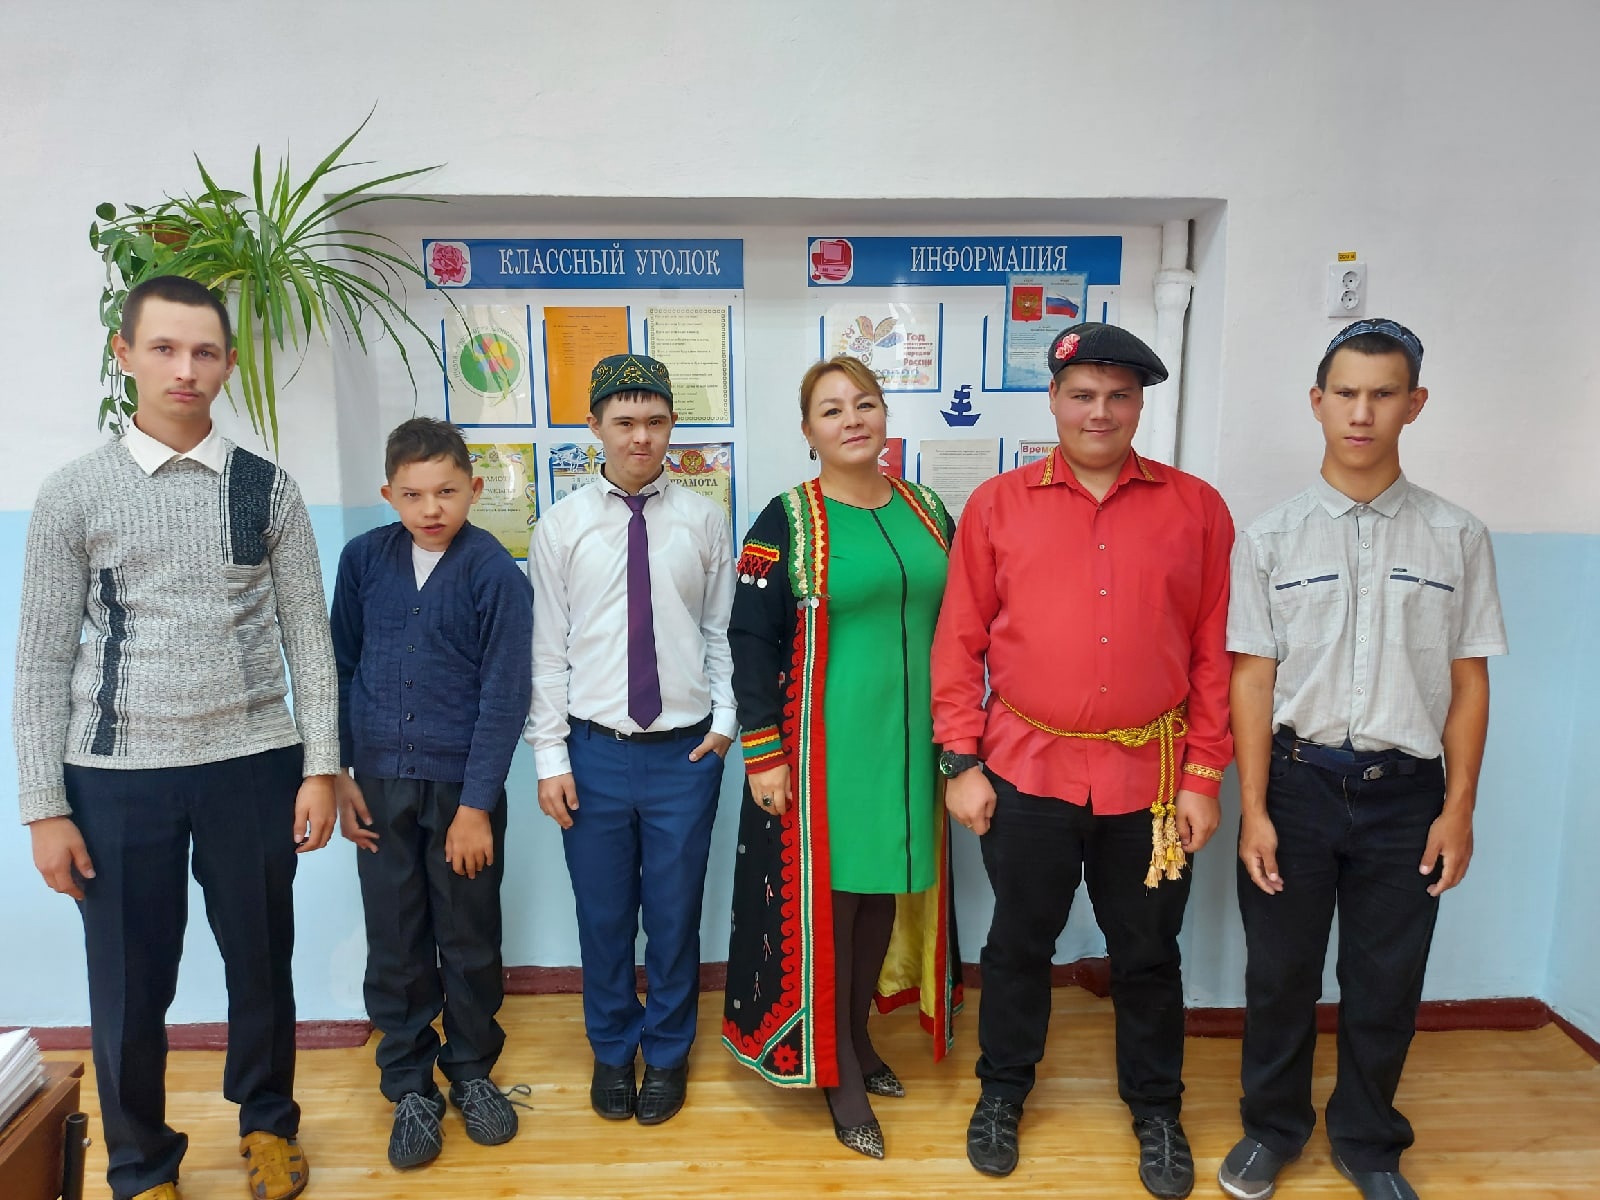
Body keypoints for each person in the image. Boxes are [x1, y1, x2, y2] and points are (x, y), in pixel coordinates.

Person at [14, 275, 338, 1200]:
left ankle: (268, 1125)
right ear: (125, 355)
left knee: (260, 964)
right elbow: (39, 661)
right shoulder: (74, 493)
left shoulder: (265, 488)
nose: (184, 369)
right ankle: (141, 1162)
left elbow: (308, 639)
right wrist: (43, 807)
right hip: (116, 776)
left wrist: (321, 766)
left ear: (228, 364)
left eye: (203, 351)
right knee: (129, 982)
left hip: (253, 765)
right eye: (163, 348)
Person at [933, 323, 1234, 1197]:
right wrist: (960, 761)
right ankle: (1002, 1094)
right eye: (1082, 395)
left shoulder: (1197, 508)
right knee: (1018, 943)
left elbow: (1214, 654)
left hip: (1154, 782)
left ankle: (1157, 1111)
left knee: (1148, 953)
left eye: (1118, 396)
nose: (1100, 411)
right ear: (1054, 401)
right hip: (1025, 770)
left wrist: (1205, 776)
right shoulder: (997, 506)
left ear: (1140, 405)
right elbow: (959, 642)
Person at [1219, 319, 1505, 1200]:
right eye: (1345, 393)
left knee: (1386, 981)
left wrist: (1458, 808)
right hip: (1297, 787)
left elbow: (1468, 683)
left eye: (1383, 394)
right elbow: (1252, 680)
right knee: (1280, 977)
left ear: (1414, 405)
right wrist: (1254, 809)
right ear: (1317, 402)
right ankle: (1271, 1130)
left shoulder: (1458, 536)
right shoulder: (1271, 537)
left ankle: (1370, 1144)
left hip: (1406, 797)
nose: (1362, 412)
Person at [721, 355, 962, 1160]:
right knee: (838, 904)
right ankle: (838, 1072)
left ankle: (854, 1037)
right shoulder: (784, 520)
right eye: (832, 410)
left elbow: (962, 619)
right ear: (808, 431)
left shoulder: (928, 509)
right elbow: (749, 642)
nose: (852, 419)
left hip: (910, 744)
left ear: (885, 414)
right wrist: (763, 754)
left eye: (865, 403)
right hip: (826, 747)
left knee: (885, 891)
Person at [526, 353, 734, 1126]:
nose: (640, 437)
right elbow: (547, 651)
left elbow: (718, 633)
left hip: (684, 756)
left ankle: (669, 1051)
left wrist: (724, 724)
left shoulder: (703, 521)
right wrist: (551, 757)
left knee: (675, 917)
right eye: (624, 422)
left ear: (672, 426)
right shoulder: (563, 525)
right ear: (595, 427)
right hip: (594, 754)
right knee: (604, 916)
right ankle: (613, 1049)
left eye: (654, 421)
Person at [330, 418, 532, 1170]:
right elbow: (341, 664)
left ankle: (472, 1070)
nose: (430, 508)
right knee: (395, 936)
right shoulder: (363, 560)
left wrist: (476, 806)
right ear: (389, 494)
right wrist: (340, 772)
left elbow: (505, 694)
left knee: (468, 934)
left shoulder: (493, 573)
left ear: (474, 489)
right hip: (379, 784)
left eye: (446, 491)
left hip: (461, 792)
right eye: (412, 495)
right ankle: (410, 1085)